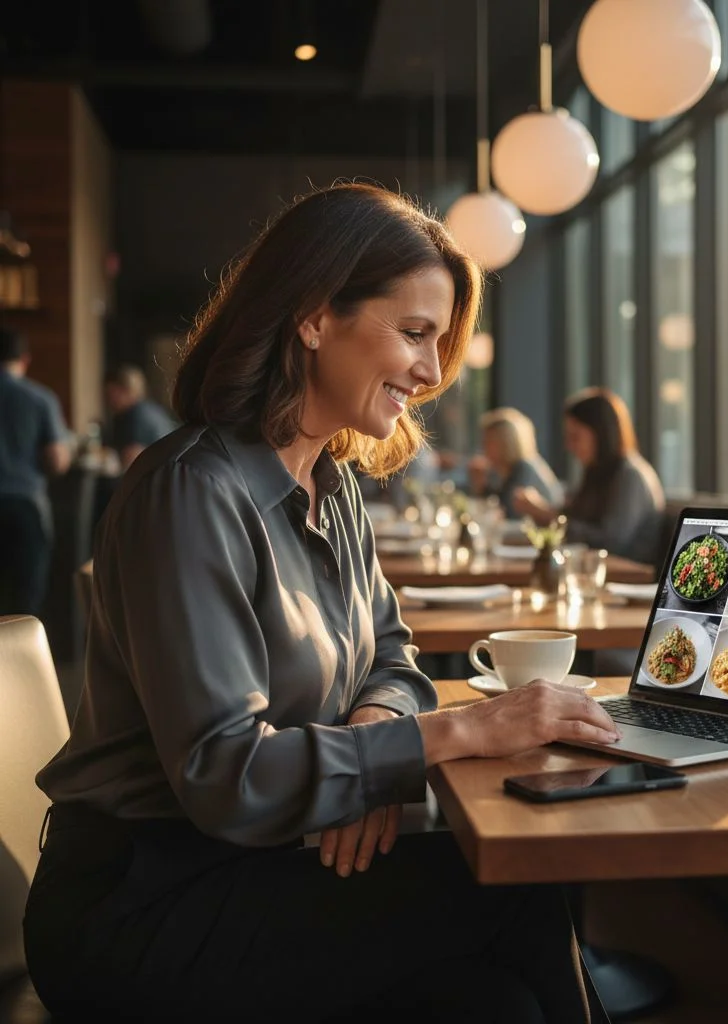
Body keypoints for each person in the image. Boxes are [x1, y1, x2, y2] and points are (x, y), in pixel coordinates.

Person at [24, 183, 620, 1024]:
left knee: (498, 999)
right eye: (414, 332)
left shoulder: (330, 484)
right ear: (312, 315)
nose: (429, 368)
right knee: (505, 894)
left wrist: (380, 736)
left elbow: (394, 655)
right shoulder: (190, 491)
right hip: (140, 905)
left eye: (439, 341)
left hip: (255, 865)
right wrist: (455, 732)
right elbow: (224, 774)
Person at [513, 387, 665, 564]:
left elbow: (611, 542)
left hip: (624, 574)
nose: (569, 445)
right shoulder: (596, 473)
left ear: (602, 434)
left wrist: (547, 515)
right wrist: (543, 513)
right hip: (593, 569)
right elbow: (574, 517)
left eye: (575, 436)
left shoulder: (630, 476)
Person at [0, 327, 71, 615]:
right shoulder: (40, 399)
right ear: (25, 359)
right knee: (23, 604)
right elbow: (57, 460)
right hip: (24, 507)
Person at [468, 407, 564, 520]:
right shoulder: (503, 471)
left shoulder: (523, 468)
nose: (484, 447)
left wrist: (482, 488)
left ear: (505, 442)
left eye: (489, 441)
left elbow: (507, 512)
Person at [102, 363, 177, 470]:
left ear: (126, 390)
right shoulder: (150, 408)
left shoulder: (138, 414)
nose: (109, 399)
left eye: (112, 393)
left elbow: (131, 457)